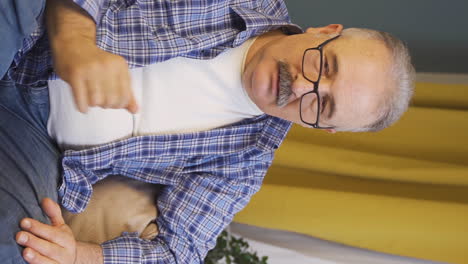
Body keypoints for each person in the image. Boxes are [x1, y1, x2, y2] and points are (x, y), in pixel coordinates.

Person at [0, 0, 415, 263]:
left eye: (323, 105)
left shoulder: (245, 162)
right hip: (31, 34)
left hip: (32, 138)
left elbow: (178, 251)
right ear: (325, 32)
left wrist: (79, 256)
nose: (302, 87)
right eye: (325, 66)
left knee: (19, 249)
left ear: (324, 128)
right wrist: (76, 42)